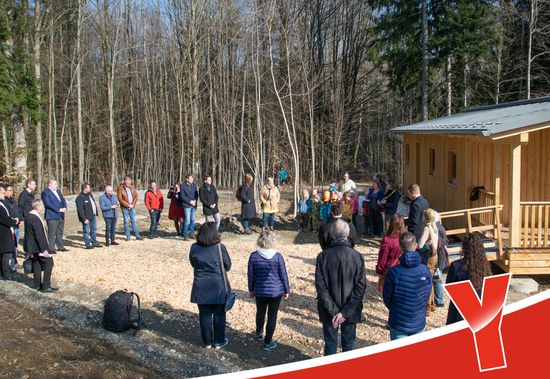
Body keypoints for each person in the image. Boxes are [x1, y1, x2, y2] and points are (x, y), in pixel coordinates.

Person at [315, 220, 366, 355]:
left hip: (329, 310)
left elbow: (321, 287)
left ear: (332, 234)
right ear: (348, 234)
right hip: (349, 310)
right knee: (348, 345)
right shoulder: (357, 257)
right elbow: (360, 288)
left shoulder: (322, 257)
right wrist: (344, 313)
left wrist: (334, 311)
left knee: (330, 345)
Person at [189, 222, 231, 349]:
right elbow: (228, 266)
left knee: (204, 314)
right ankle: (219, 341)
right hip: (218, 286)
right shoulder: (219, 247)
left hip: (200, 285)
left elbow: (193, 262)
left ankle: (207, 342)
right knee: (219, 314)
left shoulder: (194, 247)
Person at [383, 232, 432, 340]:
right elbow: (428, 292)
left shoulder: (393, 272)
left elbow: (387, 298)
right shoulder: (425, 270)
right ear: (415, 246)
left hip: (398, 320)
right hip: (418, 320)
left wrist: (396, 308)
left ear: (400, 248)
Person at [247, 231, 290, 351]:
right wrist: (286, 290)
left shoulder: (254, 256)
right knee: (272, 315)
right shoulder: (278, 256)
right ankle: (268, 342)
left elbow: (251, 274)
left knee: (260, 312)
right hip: (276, 292)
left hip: (260, 290)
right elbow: (283, 275)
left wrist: (251, 289)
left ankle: (259, 332)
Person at [446, 233, 492, 325]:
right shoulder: (485, 266)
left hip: (459, 310)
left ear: (464, 248)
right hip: (479, 308)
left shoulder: (456, 266)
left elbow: (449, 287)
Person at [24, 199, 57, 292]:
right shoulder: (35, 218)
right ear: (37, 207)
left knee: (37, 263)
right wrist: (44, 249)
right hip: (38, 246)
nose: (43, 206)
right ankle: (46, 286)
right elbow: (39, 235)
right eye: (42, 205)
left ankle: (37, 284)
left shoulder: (29, 215)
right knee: (49, 263)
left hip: (32, 246)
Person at [376, 214, 406, 293]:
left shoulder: (388, 240)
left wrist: (379, 270)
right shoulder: (405, 238)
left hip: (389, 271)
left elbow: (383, 258)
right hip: (402, 271)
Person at [417, 208, 439, 316]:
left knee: (427, 282)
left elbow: (421, 244)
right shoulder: (436, 227)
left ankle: (427, 307)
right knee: (431, 280)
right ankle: (433, 303)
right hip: (435, 255)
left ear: (425, 218)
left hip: (428, 256)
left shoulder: (427, 228)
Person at [41, 180, 68, 251]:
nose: (57, 185)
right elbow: (47, 203)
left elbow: (63, 200)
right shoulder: (45, 192)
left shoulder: (58, 191)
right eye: (55, 184)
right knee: (52, 233)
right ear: (50, 184)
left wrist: (65, 207)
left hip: (61, 215)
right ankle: (51, 248)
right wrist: (58, 209)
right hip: (52, 215)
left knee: (60, 232)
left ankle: (60, 246)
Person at [0, 186, 19, 280]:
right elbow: (5, 219)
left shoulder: (1, 204)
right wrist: (14, 221)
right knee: (5, 254)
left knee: (4, 254)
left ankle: (3, 273)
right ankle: (6, 274)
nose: (4, 194)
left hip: (5, 232)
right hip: (3, 233)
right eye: (3, 193)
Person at [75, 183, 100, 249]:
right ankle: (87, 244)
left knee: (93, 230)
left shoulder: (90, 195)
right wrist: (84, 218)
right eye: (88, 188)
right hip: (86, 218)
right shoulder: (80, 198)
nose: (90, 189)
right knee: (86, 231)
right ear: (85, 189)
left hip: (93, 216)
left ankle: (94, 242)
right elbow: (80, 210)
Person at [117, 176, 142, 241]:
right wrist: (128, 205)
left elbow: (136, 197)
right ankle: (128, 236)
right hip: (125, 208)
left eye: (129, 181)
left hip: (132, 208)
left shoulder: (132, 188)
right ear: (124, 181)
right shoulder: (120, 188)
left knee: (134, 221)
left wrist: (133, 205)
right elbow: (120, 199)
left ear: (131, 181)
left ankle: (137, 235)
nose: (128, 182)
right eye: (127, 181)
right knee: (126, 222)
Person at [3, 184, 22, 270]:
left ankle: (15, 261)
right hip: (10, 227)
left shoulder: (13, 201)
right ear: (5, 191)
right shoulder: (4, 202)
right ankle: (10, 264)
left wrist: (20, 220)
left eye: (12, 190)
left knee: (15, 246)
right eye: (9, 190)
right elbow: (7, 215)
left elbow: (18, 211)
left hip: (16, 226)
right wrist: (14, 221)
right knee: (11, 247)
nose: (11, 192)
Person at [434, 212, 449, 307]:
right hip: (442, 254)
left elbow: (438, 244)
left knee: (437, 277)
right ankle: (438, 299)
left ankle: (439, 300)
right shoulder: (441, 227)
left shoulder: (436, 228)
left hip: (439, 254)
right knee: (438, 276)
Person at [179, 174, 199, 241]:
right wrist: (190, 201)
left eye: (192, 179)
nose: (192, 180)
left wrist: (195, 200)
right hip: (187, 205)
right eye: (190, 179)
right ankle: (185, 235)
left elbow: (196, 194)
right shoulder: (183, 186)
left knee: (192, 220)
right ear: (187, 179)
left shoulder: (193, 185)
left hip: (193, 205)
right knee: (187, 220)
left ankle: (191, 234)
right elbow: (182, 197)